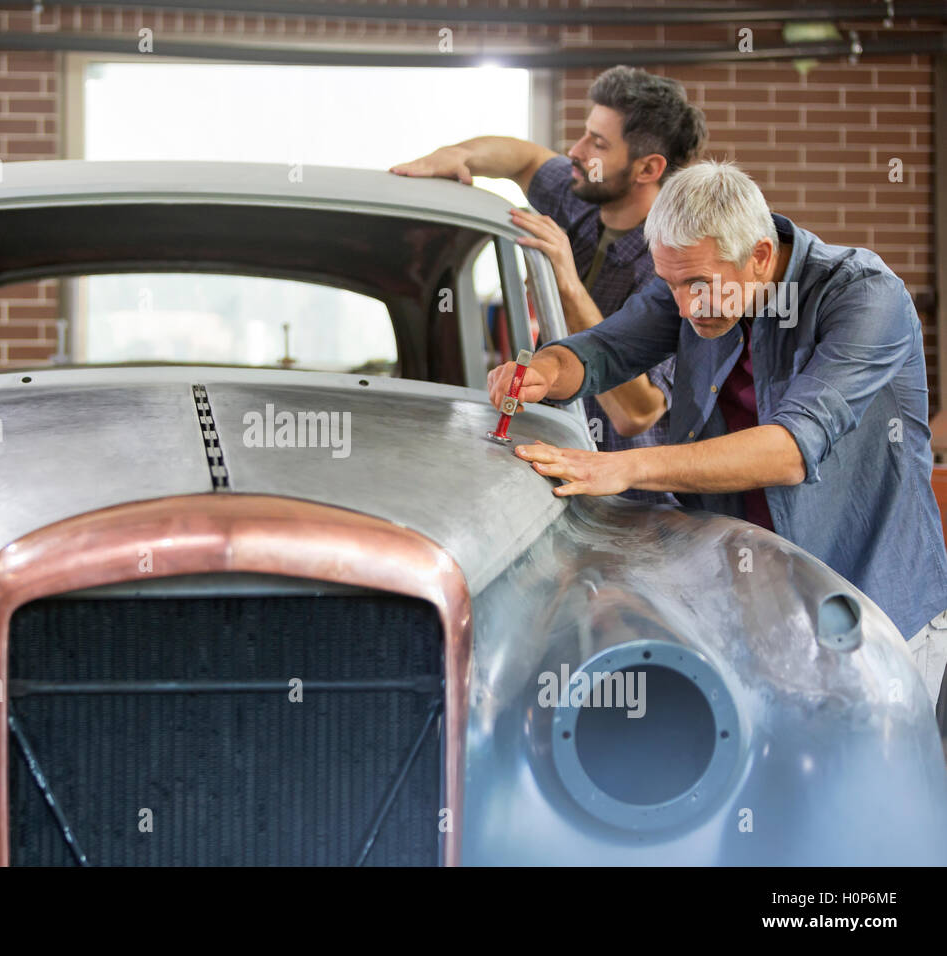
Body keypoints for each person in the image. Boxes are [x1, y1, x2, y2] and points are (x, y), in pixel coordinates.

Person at [487, 160, 947, 709]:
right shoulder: (692, 284)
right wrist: (546, 370)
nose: (683, 307)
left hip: (873, 610)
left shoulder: (864, 298)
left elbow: (791, 448)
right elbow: (606, 349)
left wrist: (624, 467)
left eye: (697, 285)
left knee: (877, 789)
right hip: (753, 602)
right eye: (671, 284)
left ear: (757, 256)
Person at [391, 65, 707, 504]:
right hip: (557, 471)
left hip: (630, 505)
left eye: (598, 143)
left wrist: (566, 285)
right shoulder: (577, 196)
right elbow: (523, 158)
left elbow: (637, 413)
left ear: (648, 168)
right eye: (584, 133)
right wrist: (457, 153)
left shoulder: (671, 264)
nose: (575, 151)